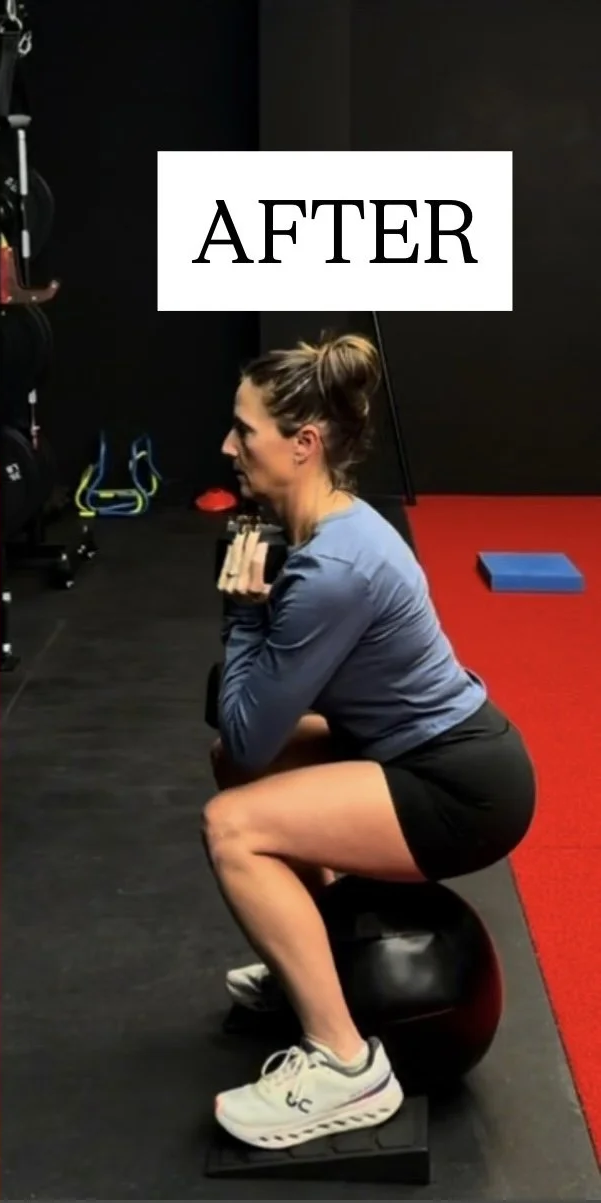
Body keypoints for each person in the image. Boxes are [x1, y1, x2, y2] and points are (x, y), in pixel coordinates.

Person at [204, 334, 536, 1150]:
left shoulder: (333, 570)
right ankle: (318, 962)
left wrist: (243, 612)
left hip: (463, 785)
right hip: (425, 750)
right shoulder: (334, 531)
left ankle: (345, 1063)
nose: (228, 445)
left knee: (234, 823)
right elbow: (244, 735)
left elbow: (247, 732)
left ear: (304, 444)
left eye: (245, 430)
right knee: (247, 773)